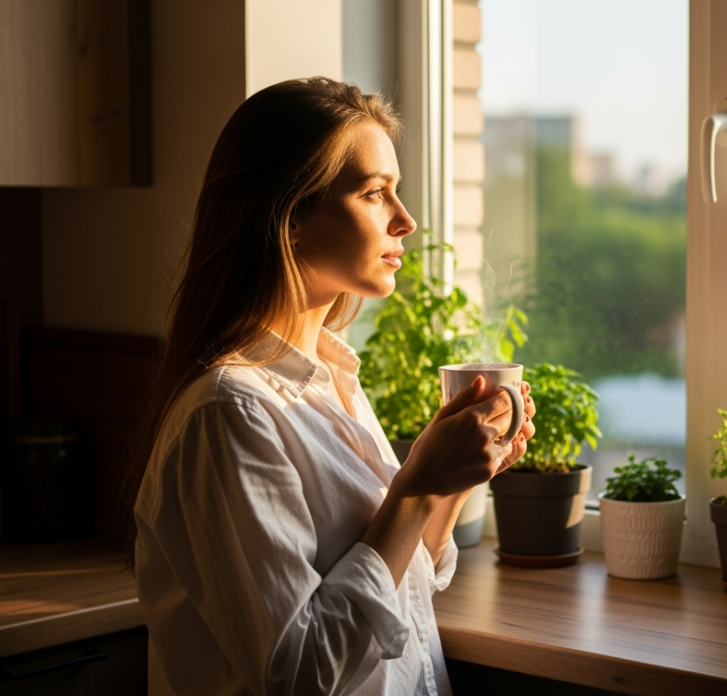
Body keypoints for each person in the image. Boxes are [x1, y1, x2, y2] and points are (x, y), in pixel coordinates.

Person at [132, 77, 535, 696]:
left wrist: (450, 483)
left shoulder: (331, 380)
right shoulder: (230, 413)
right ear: (291, 217)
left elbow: (398, 580)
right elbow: (300, 675)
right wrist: (415, 487)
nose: (406, 220)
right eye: (376, 194)